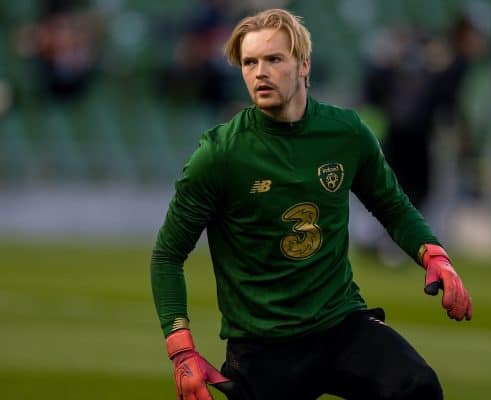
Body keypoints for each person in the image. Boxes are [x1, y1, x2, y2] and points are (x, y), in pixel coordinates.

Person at [150, 8, 472, 400]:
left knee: (417, 386)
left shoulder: (347, 133)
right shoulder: (219, 154)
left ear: (304, 64)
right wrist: (180, 348)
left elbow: (393, 205)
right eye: (249, 62)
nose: (259, 72)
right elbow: (167, 253)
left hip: (340, 325)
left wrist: (434, 255)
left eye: (273, 59)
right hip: (263, 346)